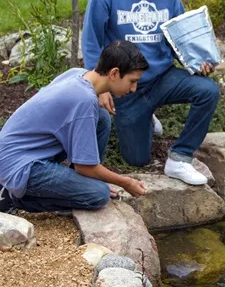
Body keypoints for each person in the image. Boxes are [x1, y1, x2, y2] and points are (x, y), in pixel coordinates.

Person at [81, 0, 220, 186]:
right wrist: (98, 88)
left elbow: (179, 35)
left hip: (162, 77)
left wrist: (197, 61)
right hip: (127, 90)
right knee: (136, 159)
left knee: (208, 90)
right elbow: (91, 42)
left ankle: (180, 158)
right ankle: (146, 116)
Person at [0, 40, 149, 214]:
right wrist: (125, 182)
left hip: (19, 153)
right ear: (114, 73)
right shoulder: (84, 100)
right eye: (132, 81)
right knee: (98, 194)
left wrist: (104, 89)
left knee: (101, 117)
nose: (133, 88)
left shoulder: (77, 74)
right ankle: (13, 198)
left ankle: (77, 186)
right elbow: (84, 167)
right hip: (20, 166)